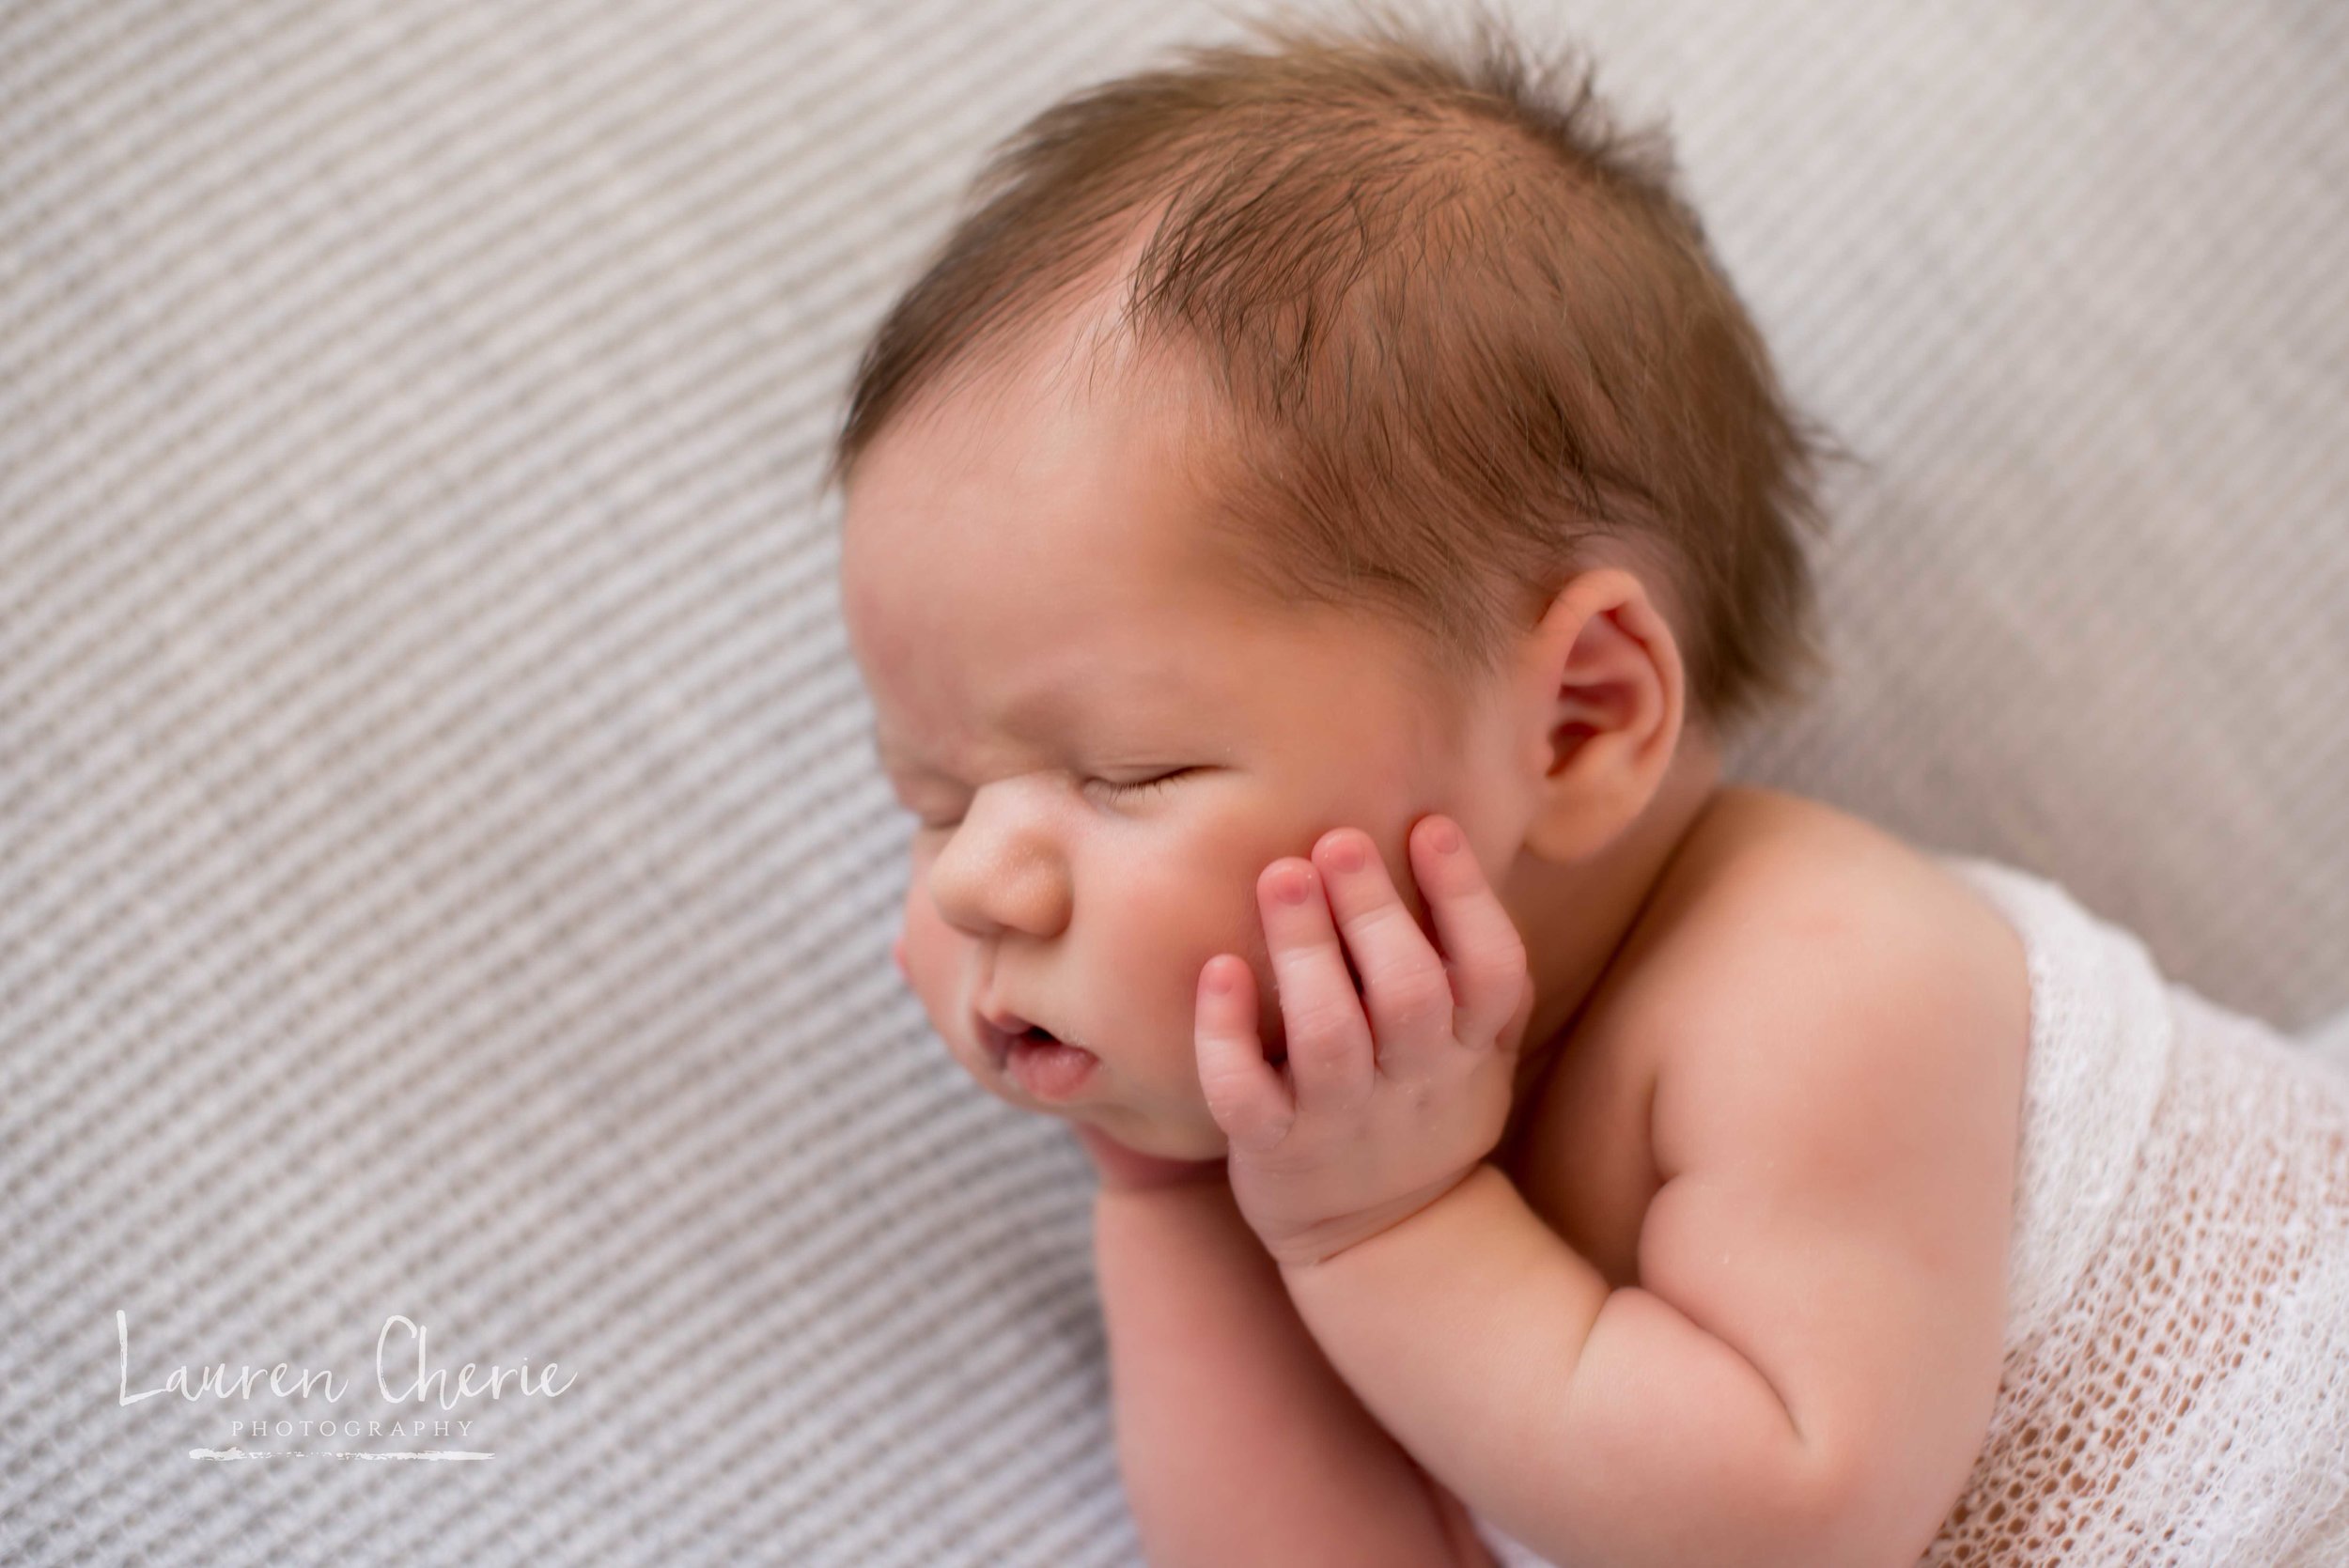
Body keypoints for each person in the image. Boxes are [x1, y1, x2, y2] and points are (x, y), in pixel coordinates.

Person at [829, 6, 2349, 1563]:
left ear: (1575, 723)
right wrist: (1167, 1201)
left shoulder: (1823, 976)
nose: (975, 883)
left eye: (1124, 769)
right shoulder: (1338, 1152)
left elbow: (1792, 1519)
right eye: (933, 799)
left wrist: (1393, 1232)